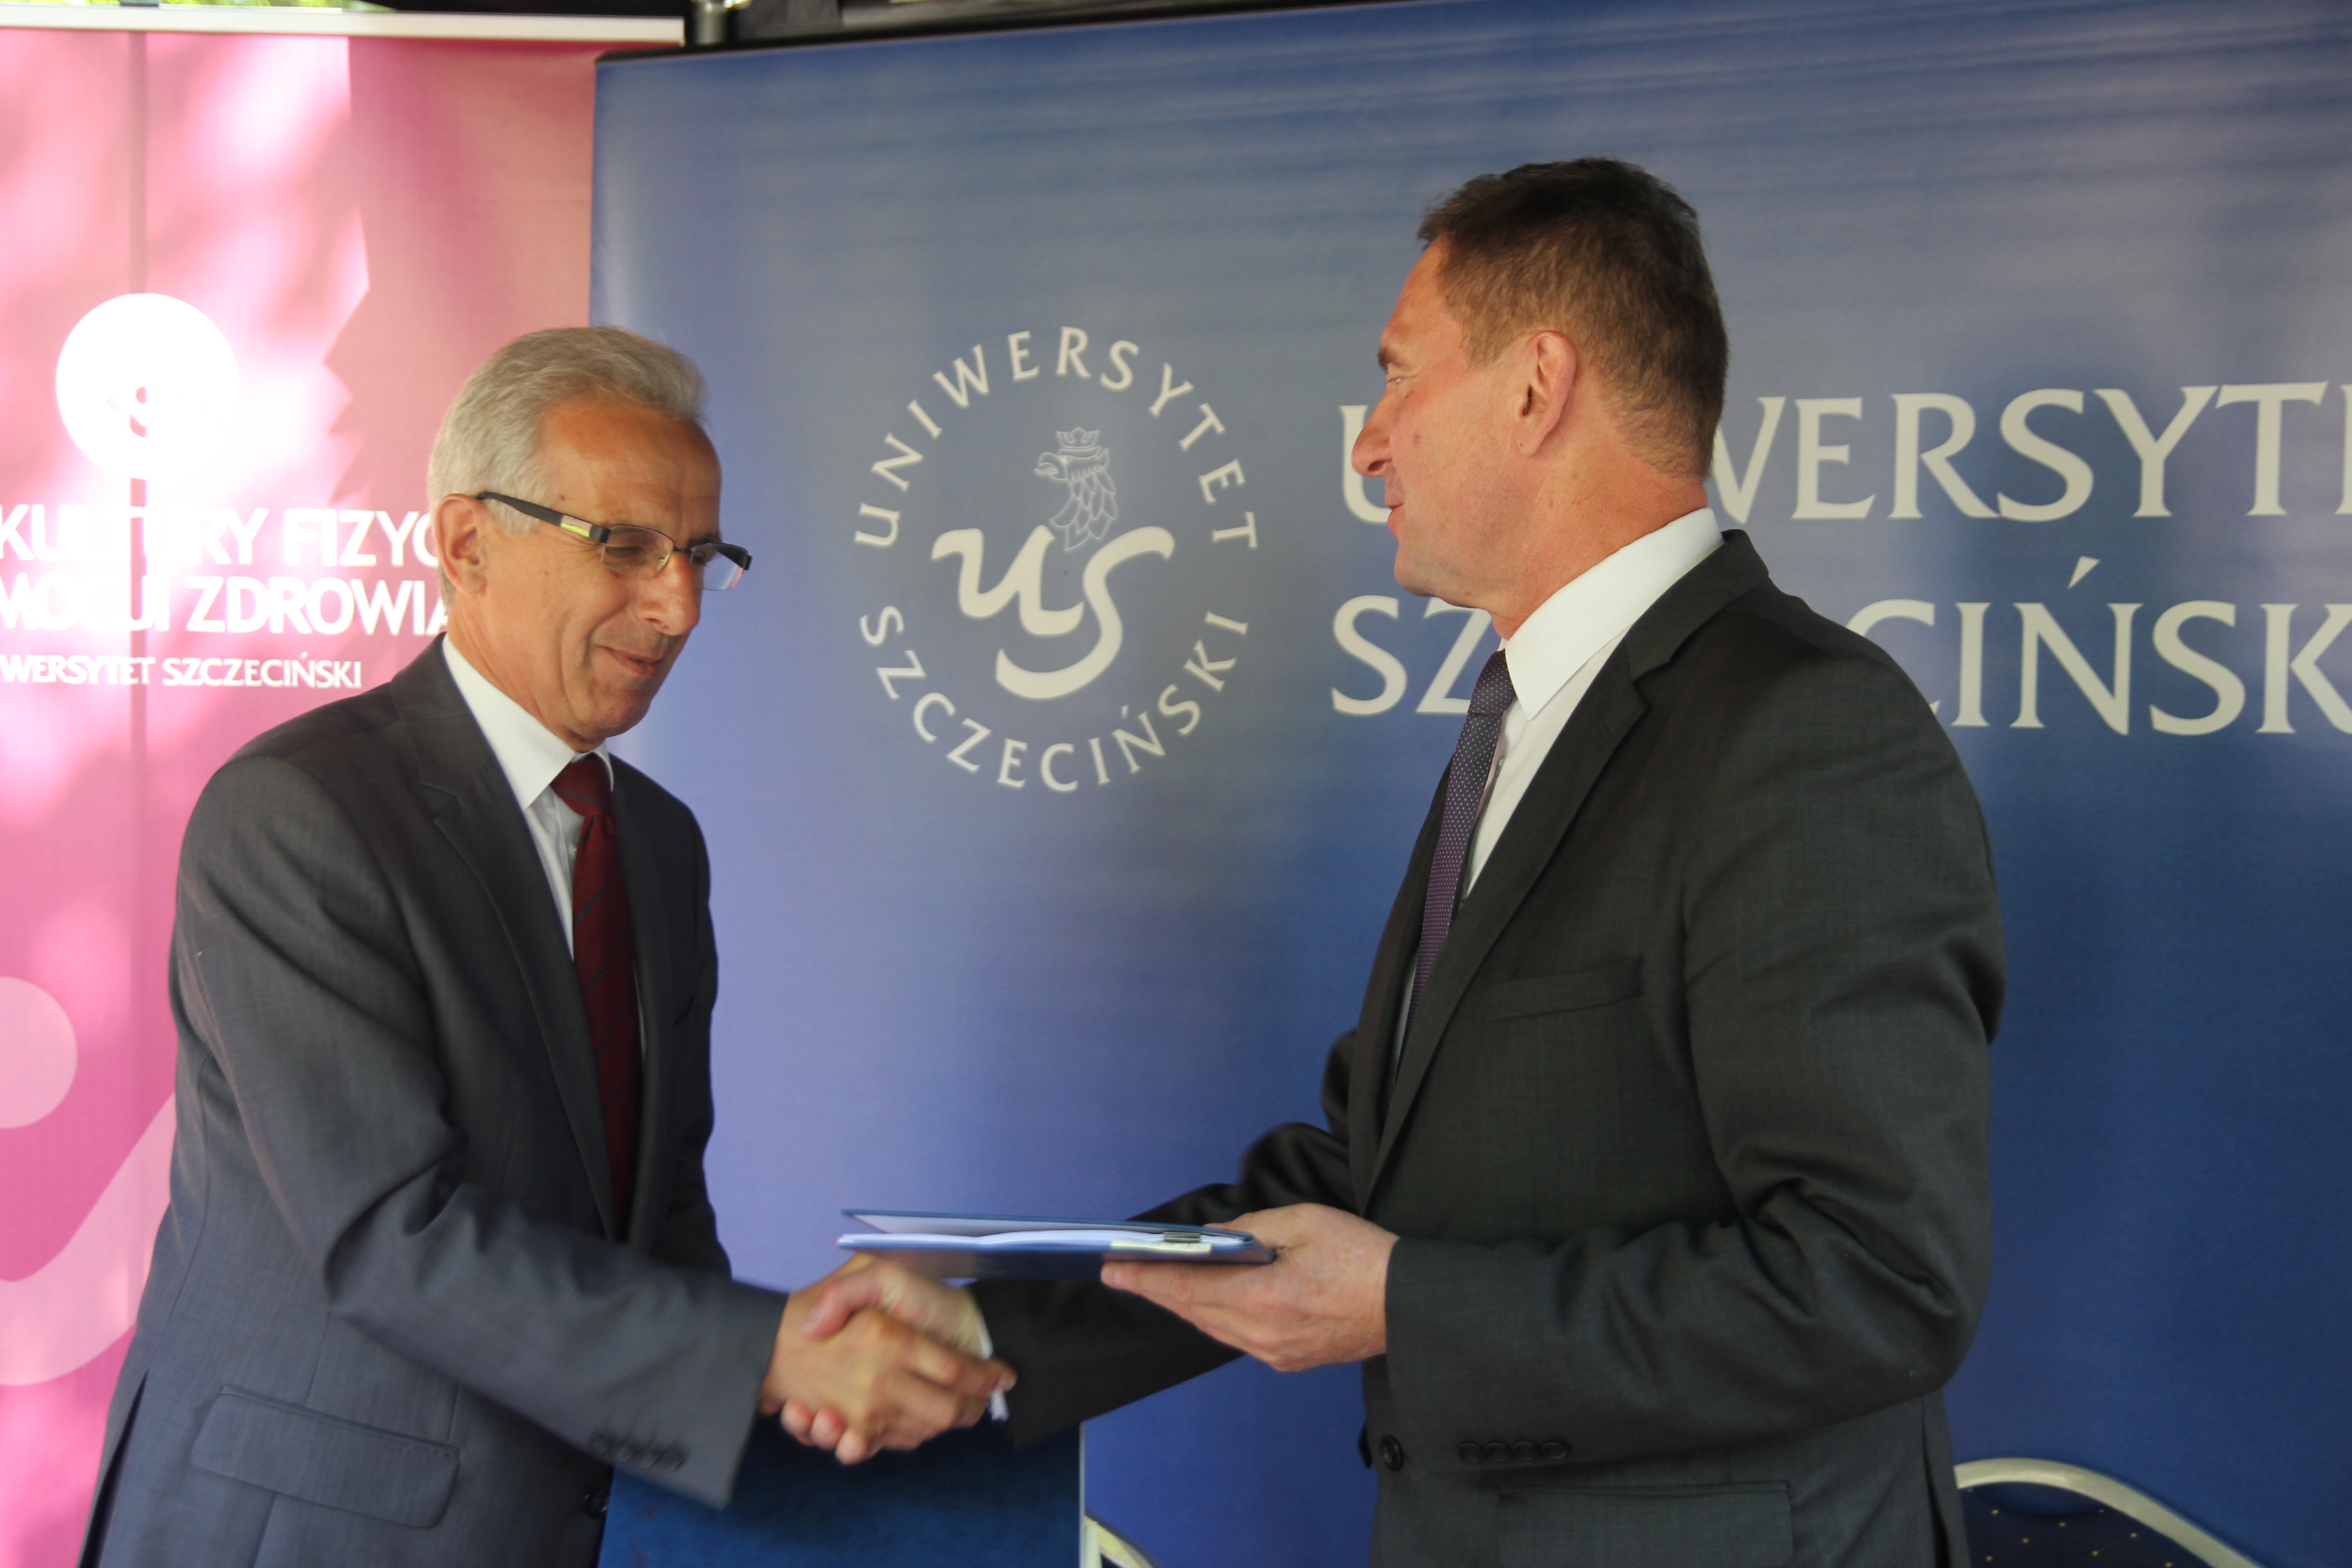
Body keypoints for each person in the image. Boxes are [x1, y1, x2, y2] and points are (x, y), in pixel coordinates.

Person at [797, 161, 2003, 1565]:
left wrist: (1404, 1309)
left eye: (1398, 377)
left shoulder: (1801, 729)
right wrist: (994, 1328)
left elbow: (1878, 1281)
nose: (1369, 445)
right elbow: (1378, 1168)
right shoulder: (1527, 713)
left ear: (1536, 387)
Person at [80, 327, 1011, 1568]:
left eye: (701, 556)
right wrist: (761, 1354)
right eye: (624, 545)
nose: (678, 606)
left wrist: (778, 1375)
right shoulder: (300, 814)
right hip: (302, 1531)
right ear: (467, 543)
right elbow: (390, 1234)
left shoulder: (659, 845)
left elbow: (660, 1215)